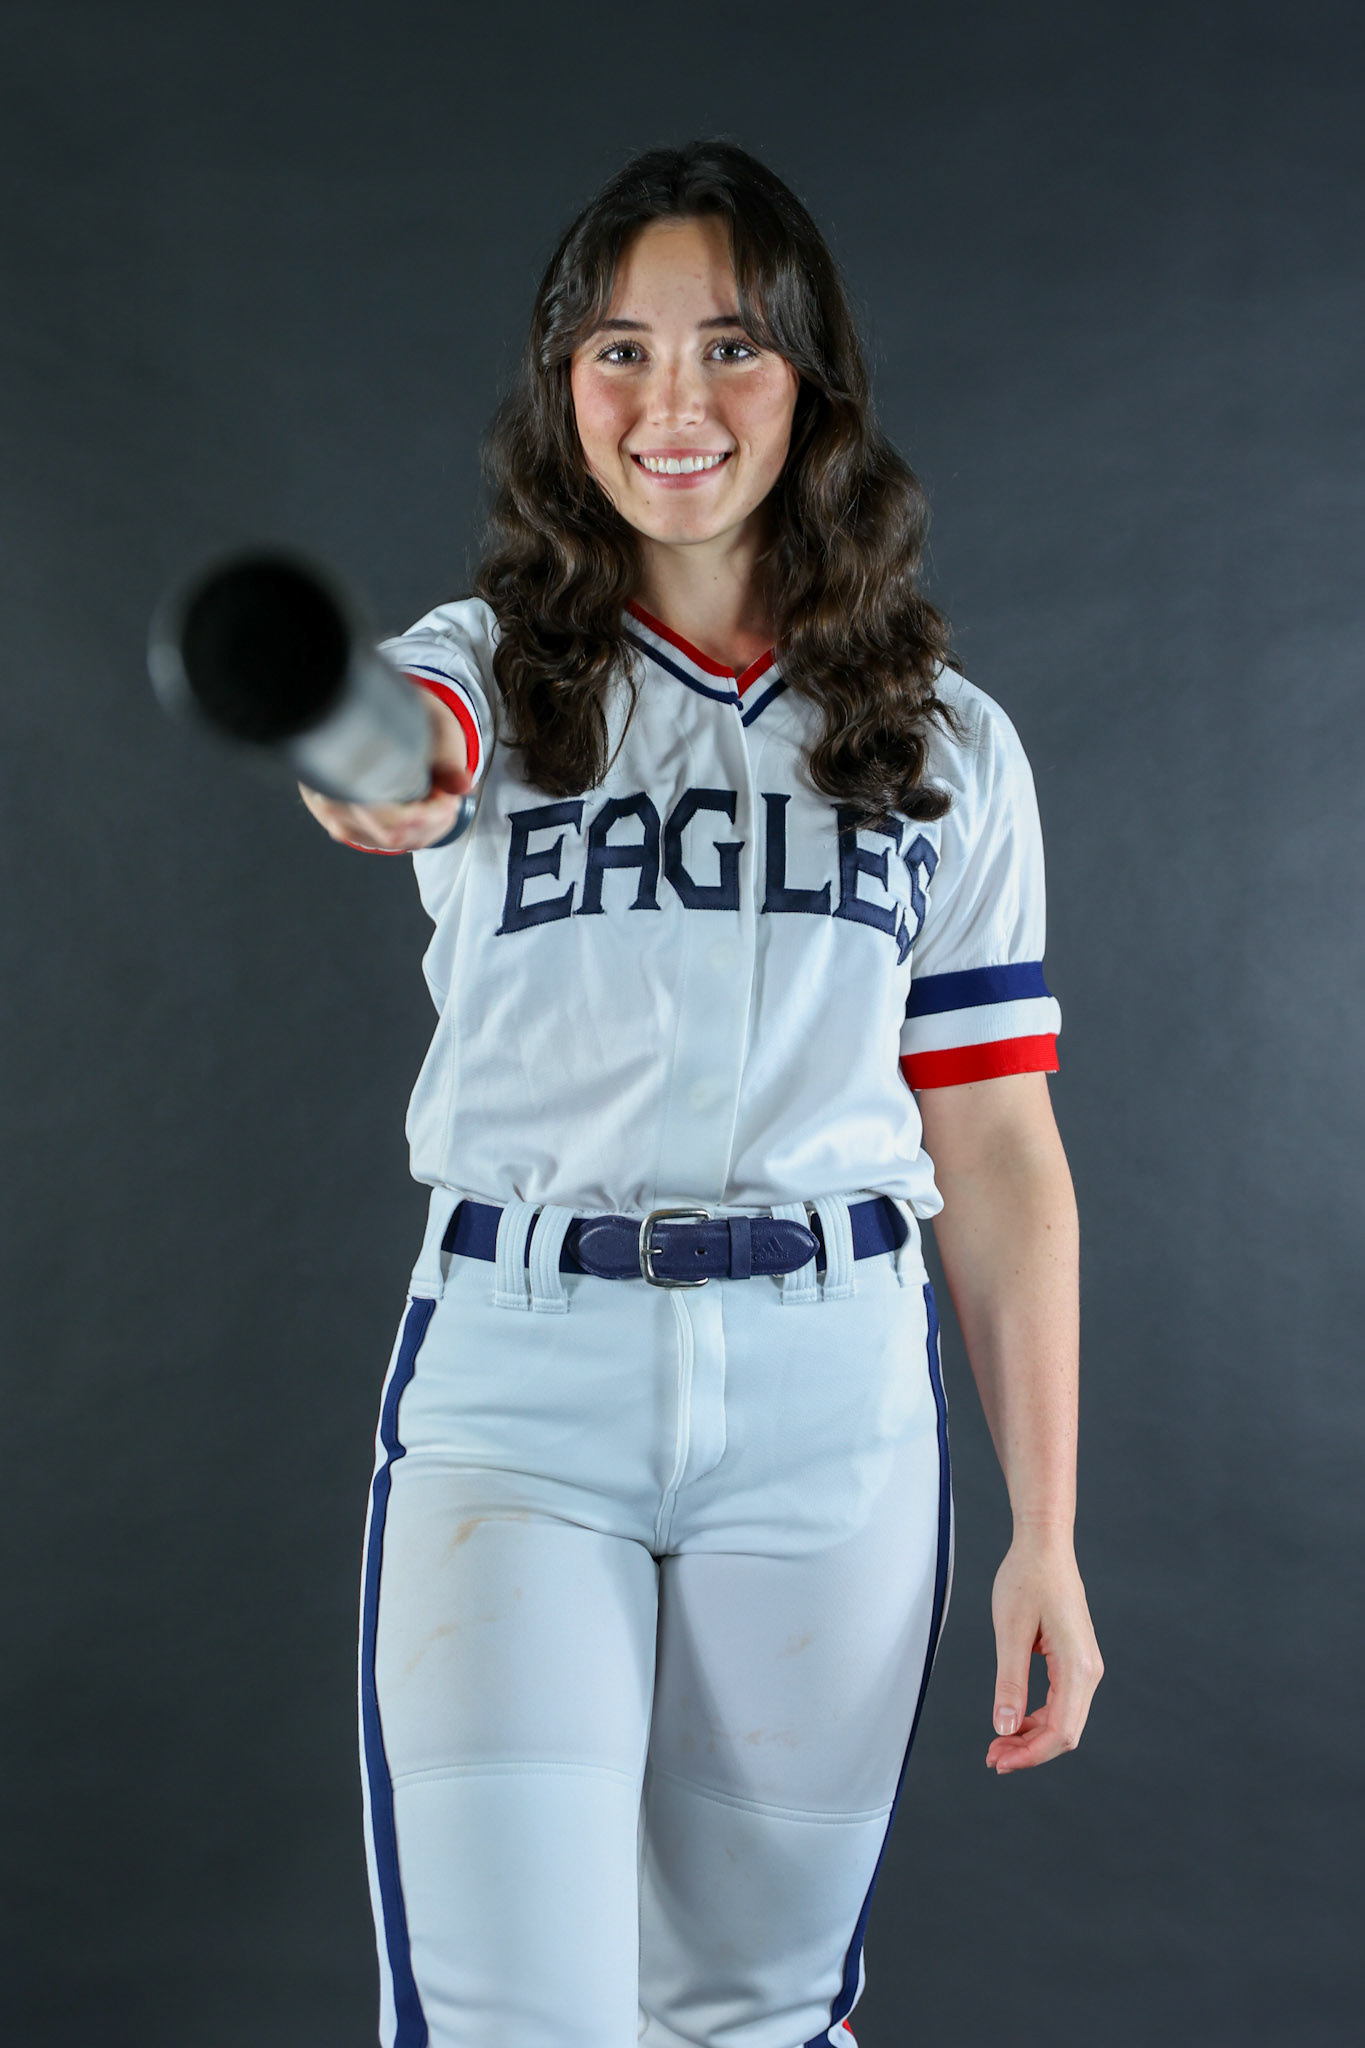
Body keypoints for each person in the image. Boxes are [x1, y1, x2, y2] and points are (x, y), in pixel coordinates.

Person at [298, 139, 1102, 2048]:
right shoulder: (483, 672)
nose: (671, 404)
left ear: (812, 383)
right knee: (514, 2023)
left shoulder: (943, 741)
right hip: (524, 1380)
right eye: (619, 352)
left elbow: (996, 1152)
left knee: (750, 2017)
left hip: (827, 1396)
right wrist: (353, 753)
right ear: (560, 387)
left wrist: (1046, 1536)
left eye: (730, 349)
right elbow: (389, 762)